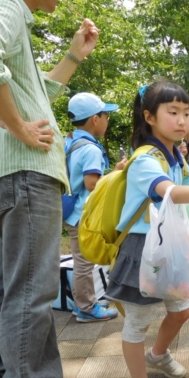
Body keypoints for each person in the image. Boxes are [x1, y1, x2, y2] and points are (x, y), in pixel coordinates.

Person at [0, 0, 98, 378]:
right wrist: (19, 128)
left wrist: (73, 56)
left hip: (11, 174)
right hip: (27, 174)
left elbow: (38, 96)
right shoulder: (6, 3)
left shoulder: (13, 13)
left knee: (8, 286)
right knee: (32, 288)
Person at [104, 81, 189, 378]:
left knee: (182, 309)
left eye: (186, 113)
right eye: (172, 112)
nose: (181, 121)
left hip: (168, 245)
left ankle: (157, 355)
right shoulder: (145, 158)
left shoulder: (174, 154)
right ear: (149, 116)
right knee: (138, 320)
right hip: (141, 249)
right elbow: (168, 191)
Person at [64, 92, 125, 322]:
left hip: (72, 212)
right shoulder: (90, 149)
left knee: (81, 260)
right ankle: (87, 308)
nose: (107, 120)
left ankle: (83, 303)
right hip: (84, 215)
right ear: (95, 119)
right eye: (105, 115)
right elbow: (92, 184)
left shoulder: (69, 140)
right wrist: (117, 173)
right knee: (84, 263)